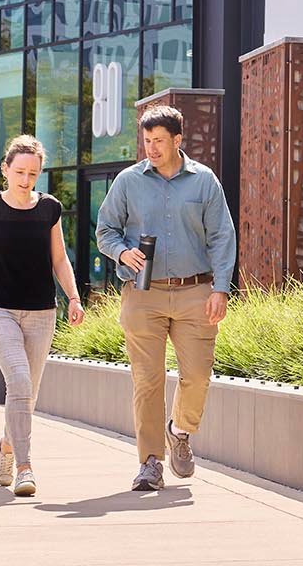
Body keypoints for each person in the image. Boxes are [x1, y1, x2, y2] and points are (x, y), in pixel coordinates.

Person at [95, 105, 236, 491]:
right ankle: (150, 462)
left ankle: (182, 431)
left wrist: (221, 287)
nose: (152, 148)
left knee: (197, 376)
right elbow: (105, 229)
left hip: (195, 291)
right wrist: (122, 252)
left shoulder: (204, 181)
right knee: (147, 380)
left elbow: (222, 236)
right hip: (144, 295)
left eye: (159, 141)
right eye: (147, 141)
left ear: (177, 140)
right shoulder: (128, 182)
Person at [0, 134, 84, 498]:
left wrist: (73, 296)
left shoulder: (50, 209)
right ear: (5, 170)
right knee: (20, 382)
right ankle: (25, 467)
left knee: (29, 392)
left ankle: (6, 448)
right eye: (20, 172)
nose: (26, 180)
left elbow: (59, 258)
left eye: (33, 173)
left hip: (42, 310)